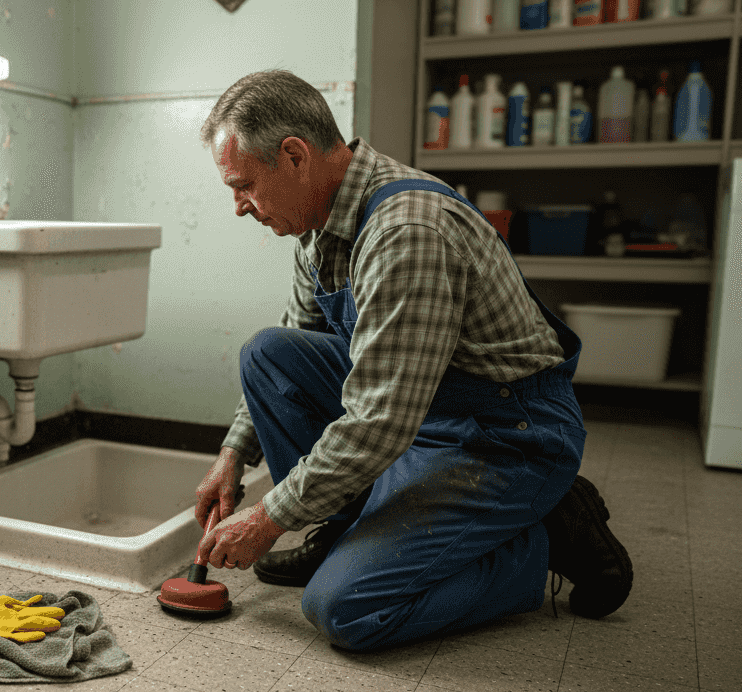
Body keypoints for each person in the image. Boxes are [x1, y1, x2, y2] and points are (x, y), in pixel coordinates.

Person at [191, 70, 633, 652]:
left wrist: (269, 517)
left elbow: (380, 421)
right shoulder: (317, 226)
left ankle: (547, 534)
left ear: (294, 156)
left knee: (344, 609)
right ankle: (350, 527)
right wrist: (232, 457)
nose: (240, 208)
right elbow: (299, 341)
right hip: (420, 413)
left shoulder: (406, 232)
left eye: (243, 185)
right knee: (269, 354)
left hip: (500, 434)